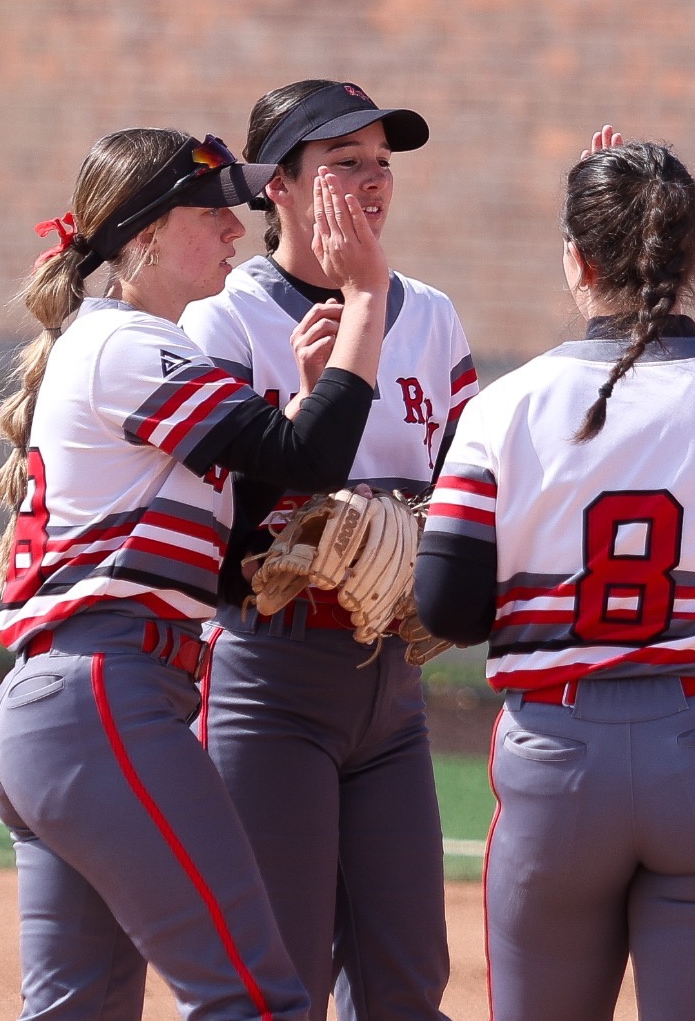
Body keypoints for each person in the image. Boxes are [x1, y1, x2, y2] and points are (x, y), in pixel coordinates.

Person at [412, 139, 695, 1021]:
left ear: (577, 260)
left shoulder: (505, 405)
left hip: (559, 750)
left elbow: (448, 610)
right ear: (692, 262)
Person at [0, 127, 391, 1020]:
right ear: (146, 235)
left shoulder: (118, 346)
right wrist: (365, 298)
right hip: (103, 703)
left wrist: (302, 403)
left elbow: (235, 558)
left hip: (70, 707)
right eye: (213, 213)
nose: (236, 230)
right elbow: (309, 450)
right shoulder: (130, 345)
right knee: (257, 1000)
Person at [177, 80, 470, 1021]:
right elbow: (217, 515)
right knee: (281, 979)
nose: (372, 181)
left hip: (390, 676)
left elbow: (461, 478)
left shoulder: (429, 315)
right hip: (270, 672)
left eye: (382, 162)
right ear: (281, 188)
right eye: (343, 164)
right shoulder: (223, 321)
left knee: (408, 979)